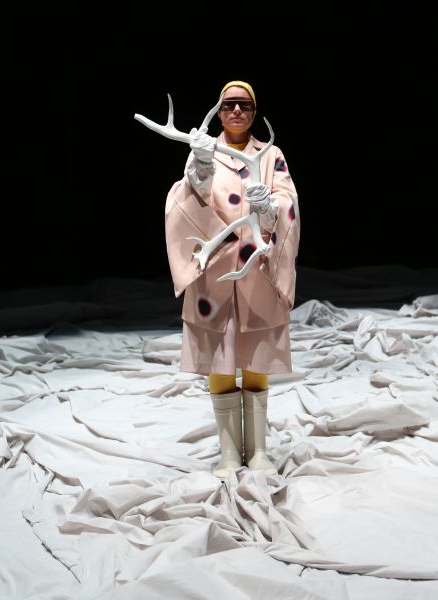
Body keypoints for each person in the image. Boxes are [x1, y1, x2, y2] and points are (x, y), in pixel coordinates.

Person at [165, 81, 300, 478]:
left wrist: (270, 206)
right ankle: (228, 454)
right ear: (220, 111)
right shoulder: (203, 150)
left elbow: (288, 201)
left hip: (257, 269)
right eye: (229, 105)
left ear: (254, 112)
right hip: (216, 273)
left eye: (244, 104)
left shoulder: (271, 154)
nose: (236, 111)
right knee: (220, 362)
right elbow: (190, 198)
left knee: (257, 360)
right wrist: (202, 166)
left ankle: (257, 452)